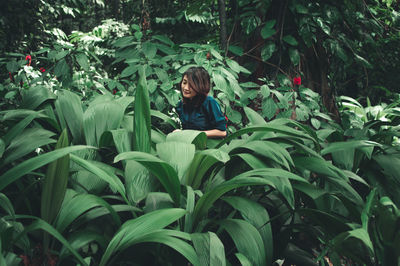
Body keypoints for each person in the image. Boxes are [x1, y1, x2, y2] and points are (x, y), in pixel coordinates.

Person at [175, 66, 227, 138]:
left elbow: (222, 132)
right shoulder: (181, 104)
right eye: (184, 82)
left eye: (191, 85)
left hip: (209, 145)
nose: (186, 88)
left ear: (201, 86)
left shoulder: (209, 103)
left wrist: (190, 134)